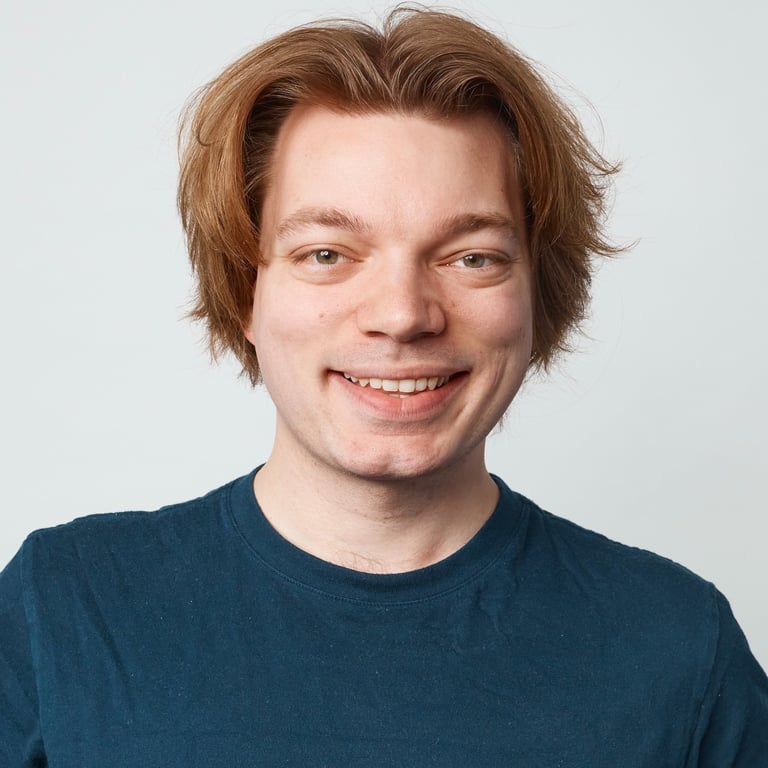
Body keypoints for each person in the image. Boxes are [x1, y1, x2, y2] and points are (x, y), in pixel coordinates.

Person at [1, 7, 766, 765]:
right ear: (245, 293)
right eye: (327, 254)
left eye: (472, 257)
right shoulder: (64, 608)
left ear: (538, 294)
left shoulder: (680, 649)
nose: (402, 315)